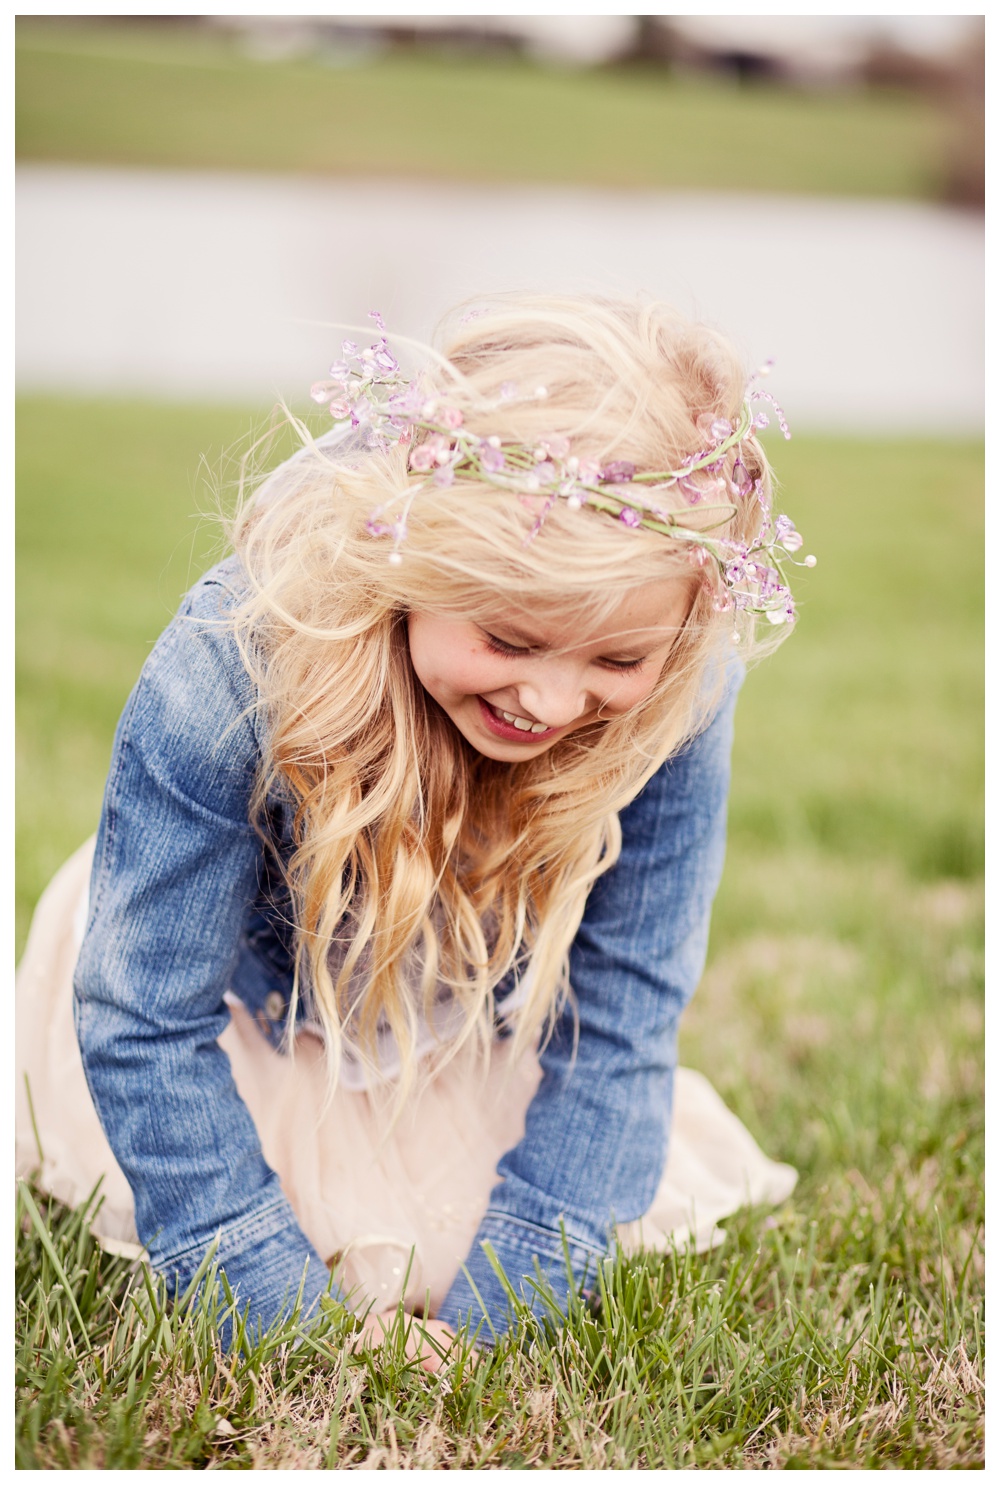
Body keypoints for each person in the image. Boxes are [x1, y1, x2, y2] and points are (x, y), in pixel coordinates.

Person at [16, 295, 809, 1367]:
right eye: (508, 637)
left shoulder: (677, 687)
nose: (552, 701)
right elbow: (144, 1017)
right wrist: (273, 1308)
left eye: (614, 663)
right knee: (348, 1244)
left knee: (478, 1235)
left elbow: (625, 1015)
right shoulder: (235, 665)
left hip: (456, 1004)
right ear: (413, 556)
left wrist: (509, 1300)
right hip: (225, 1009)